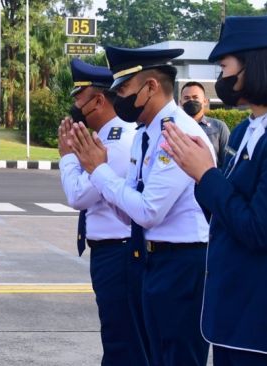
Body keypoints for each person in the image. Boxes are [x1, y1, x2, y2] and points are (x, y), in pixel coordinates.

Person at [161, 14, 267, 365]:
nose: (222, 77)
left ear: (255, 65)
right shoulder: (250, 129)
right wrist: (199, 173)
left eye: (225, 66)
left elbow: (259, 229)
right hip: (239, 317)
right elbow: (226, 217)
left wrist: (207, 175)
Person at [67, 46, 215, 366]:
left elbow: (148, 210)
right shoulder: (144, 133)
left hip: (183, 262)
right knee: (155, 353)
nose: (118, 97)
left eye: (123, 89)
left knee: (178, 356)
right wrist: (112, 187)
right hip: (153, 258)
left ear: (150, 87)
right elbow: (131, 211)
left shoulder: (177, 132)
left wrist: (99, 171)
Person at [59, 58, 145, 365]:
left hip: (119, 253)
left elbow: (78, 195)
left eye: (79, 97)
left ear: (98, 100)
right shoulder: (107, 137)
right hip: (112, 251)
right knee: (121, 336)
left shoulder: (118, 142)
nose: (75, 105)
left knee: (122, 341)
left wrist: (68, 157)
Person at [180, 81, 230, 168]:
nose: (191, 101)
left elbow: (228, 161)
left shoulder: (219, 127)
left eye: (195, 97)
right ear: (180, 103)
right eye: (187, 98)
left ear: (205, 101)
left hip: (211, 179)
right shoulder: (174, 127)